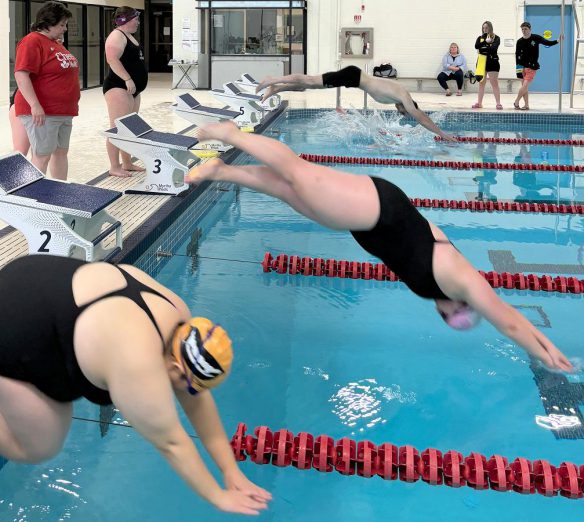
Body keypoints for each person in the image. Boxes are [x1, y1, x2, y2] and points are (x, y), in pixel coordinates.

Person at [0, 255, 271, 515]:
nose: (189, 393)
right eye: (186, 383)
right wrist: (217, 495)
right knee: (41, 442)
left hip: (27, 284)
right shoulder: (139, 366)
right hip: (26, 327)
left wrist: (231, 470)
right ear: (175, 365)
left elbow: (197, 400)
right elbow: (172, 441)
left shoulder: (178, 316)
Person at [186, 121, 574, 372]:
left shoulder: (441, 287)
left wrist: (544, 344)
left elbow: (507, 317)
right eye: (454, 316)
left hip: (366, 221)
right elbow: (506, 318)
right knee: (299, 175)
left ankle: (222, 170)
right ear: (460, 306)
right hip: (378, 209)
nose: (446, 314)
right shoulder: (458, 278)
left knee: (290, 191)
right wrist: (545, 352)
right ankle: (230, 133)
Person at [256, 67, 457, 142]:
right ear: (408, 106)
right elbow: (421, 117)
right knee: (310, 81)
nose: (400, 112)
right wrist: (443, 134)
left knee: (309, 86)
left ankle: (276, 89)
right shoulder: (404, 97)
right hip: (354, 76)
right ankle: (271, 80)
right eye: (403, 112)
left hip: (354, 78)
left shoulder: (399, 98)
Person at [14, 1, 80, 181]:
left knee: (60, 153)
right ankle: (35, 198)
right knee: (42, 155)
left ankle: (59, 192)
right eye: (61, 25)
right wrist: (35, 105)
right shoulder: (32, 41)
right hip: (44, 112)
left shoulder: (54, 43)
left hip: (62, 111)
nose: (65, 29)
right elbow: (21, 74)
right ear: (48, 23)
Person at [103, 7, 148, 177]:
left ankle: (127, 163)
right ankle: (114, 166)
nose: (137, 22)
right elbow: (112, 59)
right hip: (118, 87)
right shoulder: (116, 35)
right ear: (125, 20)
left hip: (131, 90)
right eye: (135, 19)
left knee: (128, 128)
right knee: (117, 128)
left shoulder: (128, 36)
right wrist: (127, 79)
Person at [514, 22, 561, 110]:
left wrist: (557, 41)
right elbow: (517, 55)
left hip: (532, 67)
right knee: (525, 88)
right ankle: (526, 105)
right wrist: (518, 69)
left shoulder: (536, 38)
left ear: (530, 29)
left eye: (525, 29)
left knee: (524, 86)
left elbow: (547, 42)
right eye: (522, 29)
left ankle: (516, 101)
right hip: (522, 67)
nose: (524, 31)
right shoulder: (519, 41)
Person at [472, 21, 502, 110]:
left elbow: (493, 49)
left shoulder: (496, 38)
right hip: (481, 62)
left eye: (486, 28)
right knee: (481, 83)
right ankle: (479, 103)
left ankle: (498, 103)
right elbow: (477, 47)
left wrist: (484, 47)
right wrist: (486, 42)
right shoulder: (480, 38)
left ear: (490, 28)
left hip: (492, 62)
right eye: (483, 28)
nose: (485, 29)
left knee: (494, 83)